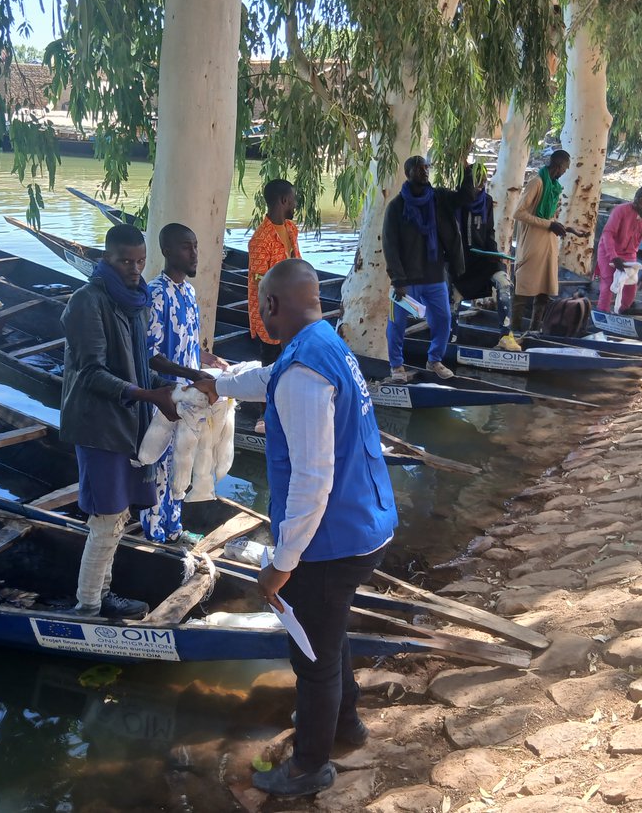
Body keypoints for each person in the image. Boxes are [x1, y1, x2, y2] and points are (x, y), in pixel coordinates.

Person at [207, 259, 398, 799]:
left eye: (260, 305)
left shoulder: (303, 372)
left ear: (270, 304)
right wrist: (217, 383)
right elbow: (268, 378)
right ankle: (345, 725)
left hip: (332, 539)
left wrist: (280, 563)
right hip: (368, 521)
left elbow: (312, 480)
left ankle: (309, 766)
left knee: (312, 657)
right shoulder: (324, 344)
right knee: (329, 633)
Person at [60, 223, 187, 619]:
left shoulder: (135, 300)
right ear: (106, 259)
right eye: (125, 262)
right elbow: (91, 373)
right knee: (105, 517)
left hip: (129, 423)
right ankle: (88, 605)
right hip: (99, 426)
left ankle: (104, 593)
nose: (134, 269)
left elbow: (137, 367)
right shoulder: (87, 302)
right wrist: (149, 396)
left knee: (119, 515)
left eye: (140, 262)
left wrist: (178, 384)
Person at [141, 222, 226, 544]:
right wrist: (192, 376)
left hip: (190, 397)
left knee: (182, 461)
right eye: (186, 247)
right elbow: (151, 355)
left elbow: (185, 341)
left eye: (195, 246)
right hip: (166, 397)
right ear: (167, 251)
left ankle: (174, 528)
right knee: (159, 464)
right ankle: (153, 532)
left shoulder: (188, 292)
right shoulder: (156, 293)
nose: (194, 254)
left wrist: (208, 359)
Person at [382, 154, 471, 380]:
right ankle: (396, 366)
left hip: (434, 276)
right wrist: (397, 279)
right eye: (419, 168)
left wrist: (467, 170)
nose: (425, 171)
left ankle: (434, 360)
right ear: (408, 173)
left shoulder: (439, 199)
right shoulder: (396, 207)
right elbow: (390, 245)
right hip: (406, 279)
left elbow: (465, 197)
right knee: (397, 323)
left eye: (426, 167)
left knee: (443, 320)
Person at [247, 178, 301, 430]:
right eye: (293, 199)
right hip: (270, 312)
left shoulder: (290, 229)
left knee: (289, 361)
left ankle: (286, 406)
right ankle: (264, 415)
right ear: (283, 201)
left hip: (291, 308)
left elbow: (296, 261)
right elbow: (261, 282)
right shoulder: (261, 239)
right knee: (269, 364)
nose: (295, 204)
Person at [511, 149, 571, 331]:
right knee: (522, 290)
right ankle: (514, 330)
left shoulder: (554, 187)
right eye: (565, 168)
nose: (565, 172)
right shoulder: (536, 183)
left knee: (544, 291)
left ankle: (534, 330)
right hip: (532, 244)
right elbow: (519, 213)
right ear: (558, 166)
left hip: (548, 244)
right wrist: (549, 224)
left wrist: (562, 227)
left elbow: (550, 218)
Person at [596, 185, 642, 314]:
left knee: (631, 286)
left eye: (641, 198)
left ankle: (624, 312)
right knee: (608, 282)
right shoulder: (620, 210)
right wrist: (613, 257)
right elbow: (608, 233)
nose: (636, 200)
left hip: (629, 253)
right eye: (636, 196)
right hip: (608, 250)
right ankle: (602, 312)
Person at [451, 161, 504, 302]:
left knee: (500, 273)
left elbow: (489, 230)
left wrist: (493, 252)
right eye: (478, 178)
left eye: (484, 178)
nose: (482, 182)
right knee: (455, 283)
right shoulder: (456, 199)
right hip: (459, 254)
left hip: (480, 253)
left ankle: (505, 319)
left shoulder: (486, 200)